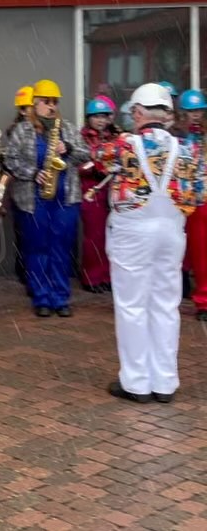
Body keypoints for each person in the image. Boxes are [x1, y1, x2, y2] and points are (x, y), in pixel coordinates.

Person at [93, 83, 200, 403]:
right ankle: (165, 382)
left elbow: (98, 158)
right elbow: (198, 192)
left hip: (133, 229)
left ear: (138, 113)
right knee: (166, 305)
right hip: (171, 229)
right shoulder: (188, 149)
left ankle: (137, 382)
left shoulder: (123, 144)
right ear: (167, 115)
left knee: (132, 305)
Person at [3, 79, 89, 317]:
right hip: (33, 198)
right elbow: (10, 160)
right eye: (46, 102)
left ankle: (61, 299)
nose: (51, 106)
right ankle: (41, 297)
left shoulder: (68, 128)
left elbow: (85, 153)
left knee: (61, 248)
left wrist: (68, 148)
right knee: (37, 248)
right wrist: (33, 173)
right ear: (35, 104)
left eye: (54, 102)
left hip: (65, 198)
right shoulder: (22, 130)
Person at [79, 98, 118, 293]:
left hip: (114, 190)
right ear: (89, 118)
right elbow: (79, 162)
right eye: (96, 116)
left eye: (104, 116)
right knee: (94, 236)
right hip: (92, 191)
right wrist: (94, 167)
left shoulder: (115, 137)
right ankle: (91, 277)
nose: (101, 121)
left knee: (112, 237)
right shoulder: (82, 137)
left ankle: (107, 276)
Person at [175, 89, 207, 321]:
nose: (195, 116)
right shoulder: (173, 137)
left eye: (199, 111)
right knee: (193, 253)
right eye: (190, 111)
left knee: (202, 253)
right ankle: (199, 299)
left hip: (203, 199)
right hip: (185, 201)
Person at [6, 85, 34, 286]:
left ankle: (30, 271)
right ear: (22, 110)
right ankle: (25, 271)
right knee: (25, 234)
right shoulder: (18, 131)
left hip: (36, 192)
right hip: (22, 192)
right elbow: (14, 162)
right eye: (28, 107)